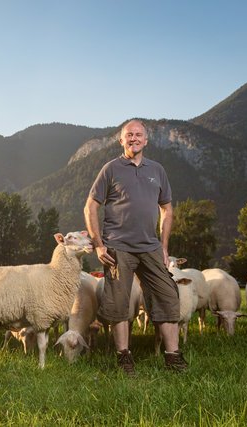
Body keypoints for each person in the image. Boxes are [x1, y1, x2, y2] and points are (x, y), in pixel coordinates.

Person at [83, 119, 187, 375]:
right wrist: (98, 245)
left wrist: (163, 246)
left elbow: (167, 209)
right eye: (129, 135)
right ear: (121, 140)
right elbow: (91, 206)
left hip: (150, 246)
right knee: (119, 303)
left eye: (138, 135)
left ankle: (172, 356)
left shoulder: (157, 170)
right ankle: (123, 357)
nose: (134, 138)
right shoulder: (111, 169)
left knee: (168, 296)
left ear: (146, 140)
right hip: (118, 247)